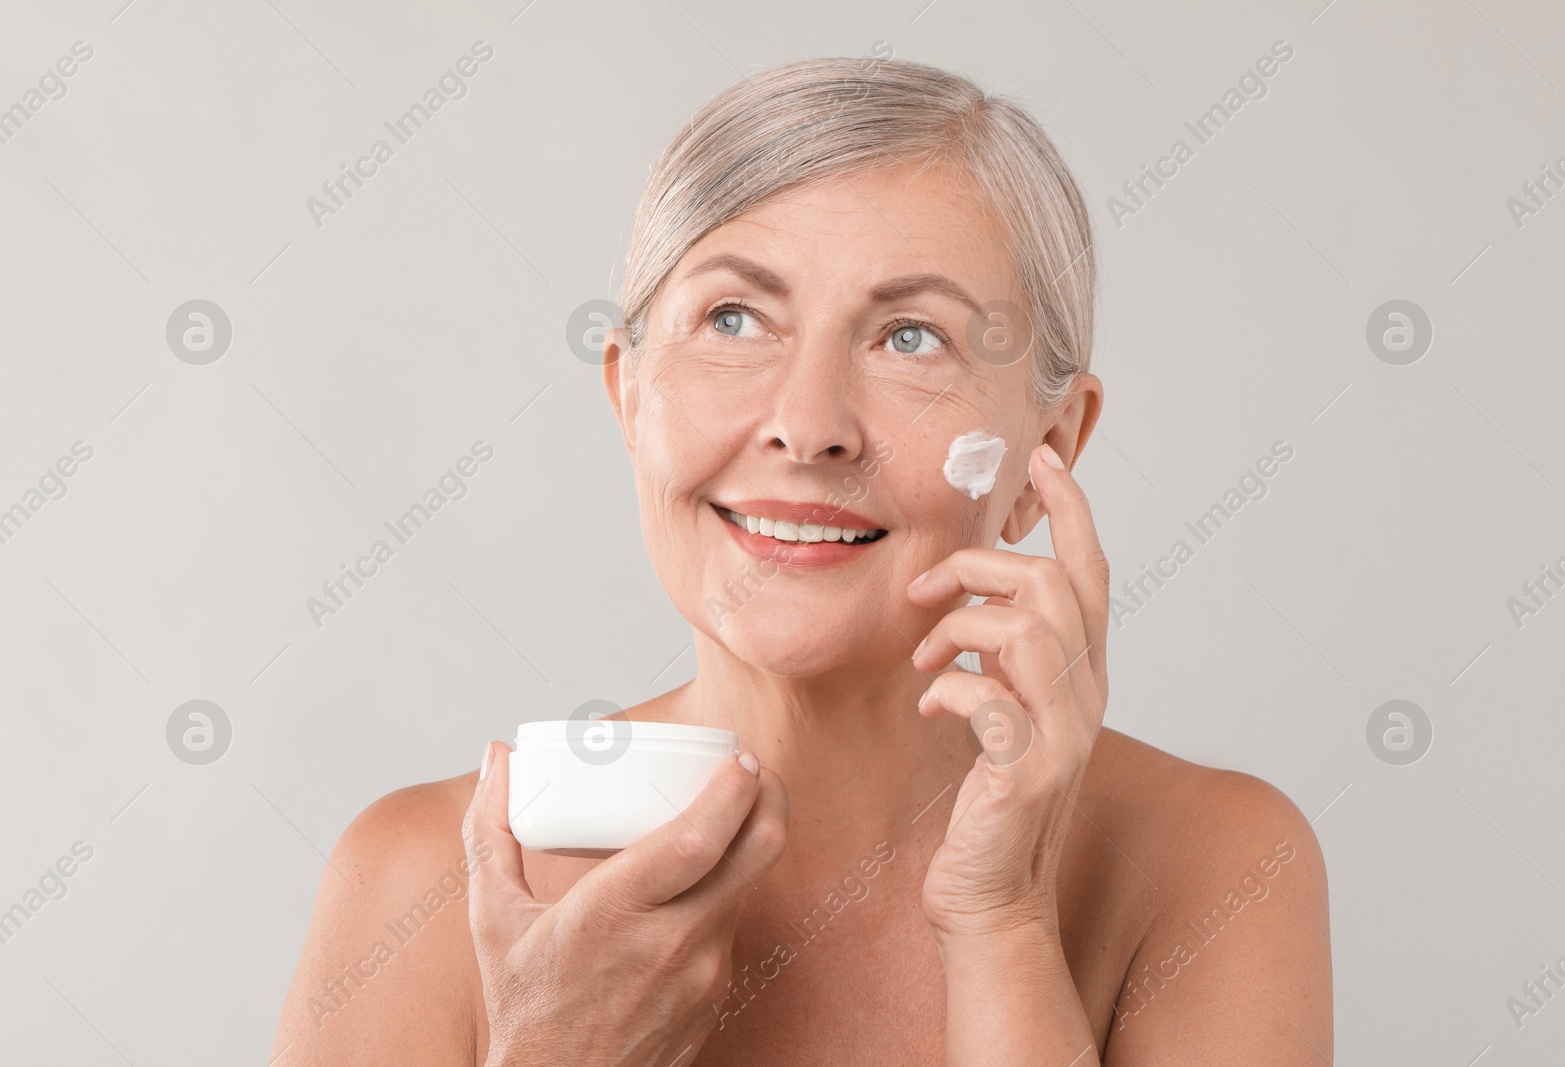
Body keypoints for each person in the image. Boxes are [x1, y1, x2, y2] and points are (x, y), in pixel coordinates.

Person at [271, 56, 1332, 1065]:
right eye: (734, 318)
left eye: (911, 337)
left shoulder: (1212, 864)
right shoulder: (421, 878)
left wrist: (1002, 920)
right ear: (628, 395)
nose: (808, 424)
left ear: (1045, 450)